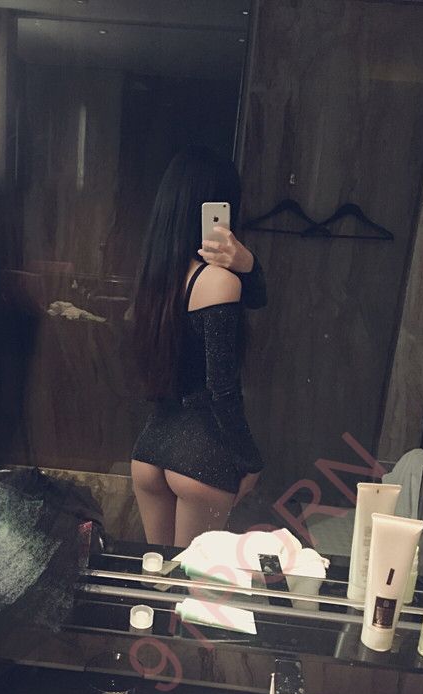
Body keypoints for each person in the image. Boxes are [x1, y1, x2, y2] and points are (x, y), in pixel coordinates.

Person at [131, 146, 267, 548]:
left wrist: (248, 264)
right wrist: (250, 461)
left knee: (157, 575)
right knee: (192, 580)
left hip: (150, 450)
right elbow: (222, 390)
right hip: (201, 458)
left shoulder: (156, 279)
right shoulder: (220, 282)